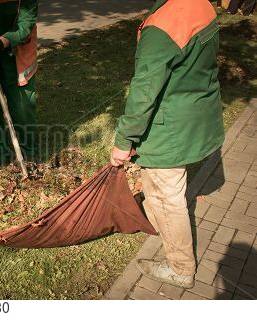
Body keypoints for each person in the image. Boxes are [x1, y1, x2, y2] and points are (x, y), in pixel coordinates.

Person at [111, 0, 224, 288]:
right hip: (195, 114)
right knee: (161, 192)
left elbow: (144, 93)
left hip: (171, 127)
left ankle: (180, 268)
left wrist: (124, 141)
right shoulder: (200, 4)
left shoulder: (162, 27)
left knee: (166, 197)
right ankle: (167, 233)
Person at [0, 0, 38, 167]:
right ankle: (0, 157)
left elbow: (26, 21)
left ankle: (29, 152)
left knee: (23, 106)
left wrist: (2, 41)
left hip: (16, 54)